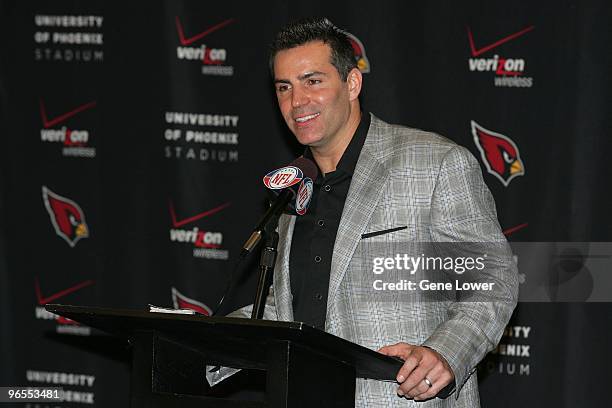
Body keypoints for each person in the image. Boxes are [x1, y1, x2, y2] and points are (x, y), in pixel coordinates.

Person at [229, 17, 518, 407]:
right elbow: (288, 309)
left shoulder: (433, 162)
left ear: (351, 83)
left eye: (312, 81)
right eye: (285, 87)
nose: (297, 101)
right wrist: (195, 339)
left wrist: (445, 354)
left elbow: (494, 279)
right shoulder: (294, 188)